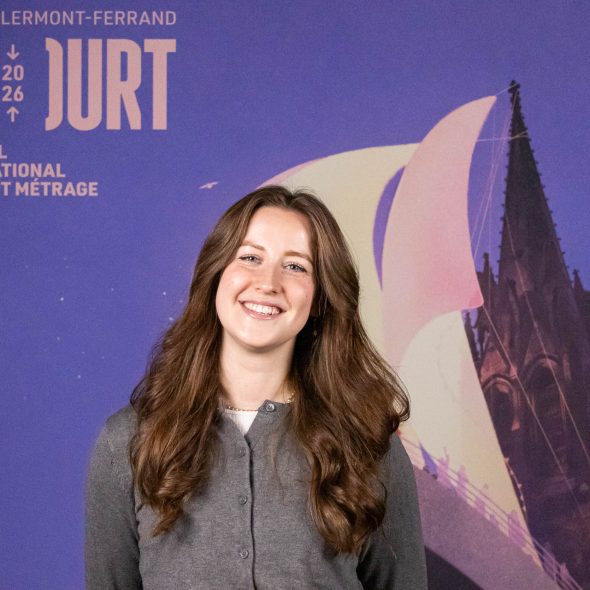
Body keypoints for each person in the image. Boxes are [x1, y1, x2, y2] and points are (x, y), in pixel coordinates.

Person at [85, 185, 428, 589]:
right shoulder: (127, 441)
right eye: (250, 258)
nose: (268, 283)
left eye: (295, 266)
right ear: (216, 274)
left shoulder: (368, 445)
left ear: (319, 298)